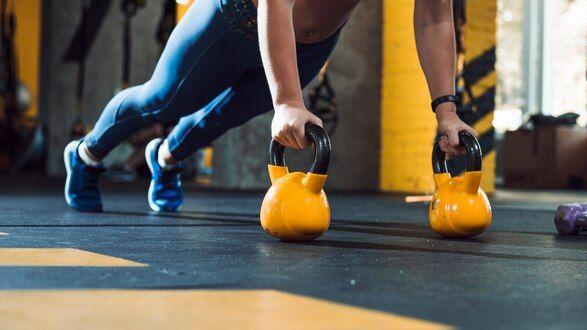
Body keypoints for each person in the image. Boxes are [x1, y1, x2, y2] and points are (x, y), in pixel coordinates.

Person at [64, 0, 478, 212]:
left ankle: (165, 158)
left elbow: (434, 18)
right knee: (163, 99)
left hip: (311, 45)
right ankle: (86, 154)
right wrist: (287, 100)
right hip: (234, 20)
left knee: (228, 115)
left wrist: (446, 110)